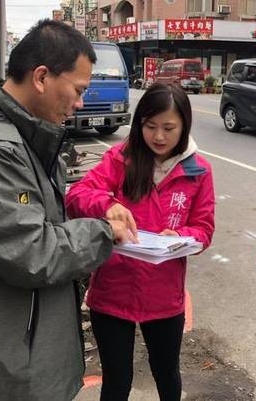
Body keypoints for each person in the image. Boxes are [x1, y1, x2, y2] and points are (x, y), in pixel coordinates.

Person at [0, 20, 135, 401]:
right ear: (41, 77)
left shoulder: (20, 133)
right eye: (78, 90)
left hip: (18, 351)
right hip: (4, 370)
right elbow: (31, 251)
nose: (81, 103)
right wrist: (102, 232)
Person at [65, 83, 215, 401]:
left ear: (184, 126)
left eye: (168, 128)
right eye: (150, 126)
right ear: (139, 124)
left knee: (167, 374)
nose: (159, 137)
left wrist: (183, 237)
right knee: (117, 381)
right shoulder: (122, 158)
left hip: (164, 294)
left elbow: (204, 229)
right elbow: (77, 196)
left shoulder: (198, 172)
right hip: (113, 290)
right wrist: (106, 205)